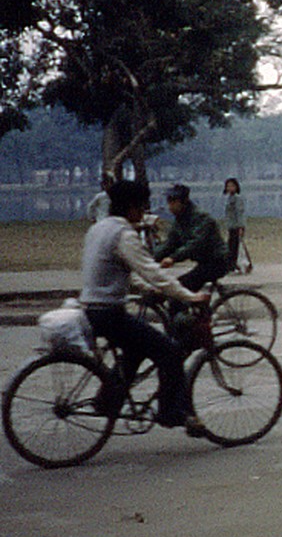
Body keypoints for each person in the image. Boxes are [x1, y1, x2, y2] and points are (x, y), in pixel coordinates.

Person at [80, 180, 210, 435]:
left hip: (91, 308)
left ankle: (108, 400)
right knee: (170, 352)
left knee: (135, 351)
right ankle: (170, 412)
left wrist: (148, 290)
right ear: (130, 208)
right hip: (110, 313)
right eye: (140, 208)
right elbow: (153, 272)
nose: (142, 213)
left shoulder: (98, 229)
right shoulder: (124, 235)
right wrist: (188, 296)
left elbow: (124, 271)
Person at [154, 184, 230, 292]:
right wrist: (150, 258)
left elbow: (195, 244)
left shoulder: (201, 218)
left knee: (179, 288)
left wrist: (173, 258)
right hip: (204, 262)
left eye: (173, 202)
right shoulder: (180, 220)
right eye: (169, 202)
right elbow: (170, 243)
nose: (170, 206)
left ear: (184, 202)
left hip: (217, 262)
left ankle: (182, 308)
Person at [222, 178, 248, 273]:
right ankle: (231, 266)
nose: (230, 188)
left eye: (232, 186)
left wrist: (241, 227)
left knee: (235, 247)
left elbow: (240, 213)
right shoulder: (230, 198)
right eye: (228, 186)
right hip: (231, 226)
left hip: (236, 227)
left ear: (236, 187)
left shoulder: (237, 198)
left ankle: (234, 266)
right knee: (231, 246)